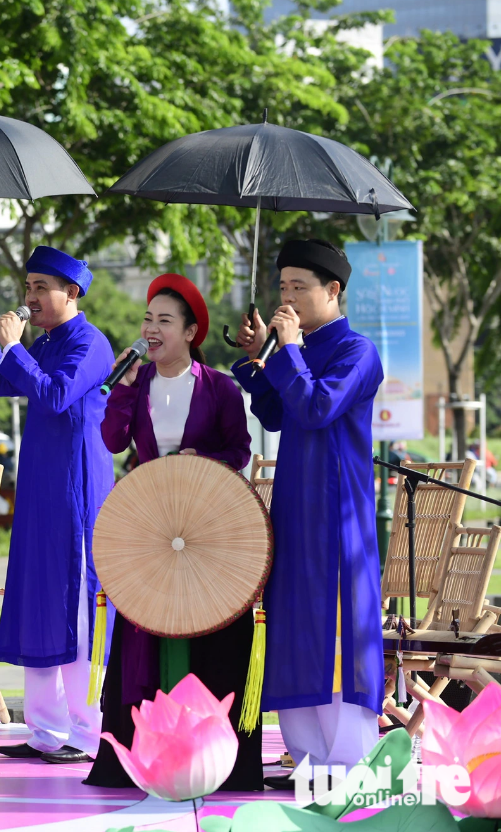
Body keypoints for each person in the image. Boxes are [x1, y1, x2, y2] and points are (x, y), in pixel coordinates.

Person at [85, 273, 262, 791]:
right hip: (150, 525)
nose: (152, 328)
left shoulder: (220, 388)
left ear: (190, 332)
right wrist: (120, 389)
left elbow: (240, 452)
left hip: (205, 528)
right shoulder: (135, 384)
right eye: (148, 319)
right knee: (146, 625)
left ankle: (207, 752)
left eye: (165, 320)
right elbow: (114, 440)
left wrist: (199, 459)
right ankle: (145, 752)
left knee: (206, 625)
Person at [0, 245, 114, 764]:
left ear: (73, 293)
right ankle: (46, 731)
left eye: (43, 287)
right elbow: (2, 381)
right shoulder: (43, 342)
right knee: (40, 600)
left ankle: (87, 735)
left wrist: (15, 348)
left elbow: (55, 395)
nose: (32, 296)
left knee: (78, 604)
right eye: (28, 286)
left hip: (77, 491)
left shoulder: (90, 344)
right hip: (42, 489)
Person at [232, 240, 384, 784]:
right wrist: (258, 358)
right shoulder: (293, 347)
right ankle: (308, 760)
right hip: (294, 512)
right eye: (283, 287)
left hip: (337, 519)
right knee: (295, 625)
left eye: (300, 287)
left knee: (336, 630)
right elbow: (276, 413)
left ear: (333, 290)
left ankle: (352, 764)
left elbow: (318, 407)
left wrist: (288, 349)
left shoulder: (357, 351)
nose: (287, 298)